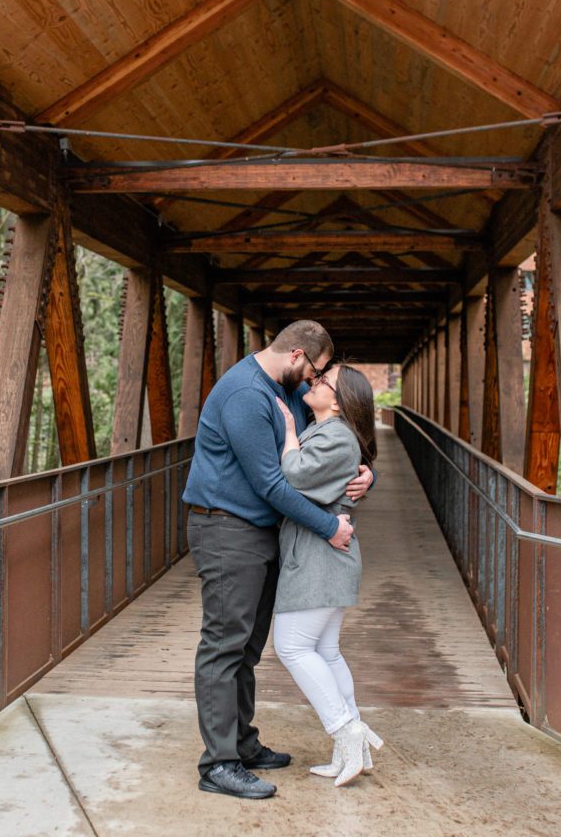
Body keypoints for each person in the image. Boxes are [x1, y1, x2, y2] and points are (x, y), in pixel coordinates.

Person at [183, 320, 374, 800]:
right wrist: (330, 526)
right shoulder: (247, 394)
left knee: (247, 648)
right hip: (227, 529)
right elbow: (274, 483)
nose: (317, 380)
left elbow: (325, 456)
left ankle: (241, 745)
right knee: (224, 645)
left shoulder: (285, 389)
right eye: (317, 369)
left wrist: (365, 477)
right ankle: (219, 764)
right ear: (296, 356)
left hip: (263, 532)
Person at [273, 361, 382, 787]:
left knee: (293, 647)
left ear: (337, 401)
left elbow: (296, 474)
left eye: (323, 381)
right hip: (324, 554)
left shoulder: (335, 436)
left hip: (322, 555)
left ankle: (346, 729)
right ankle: (348, 749)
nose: (313, 382)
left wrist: (285, 436)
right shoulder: (327, 428)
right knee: (326, 650)